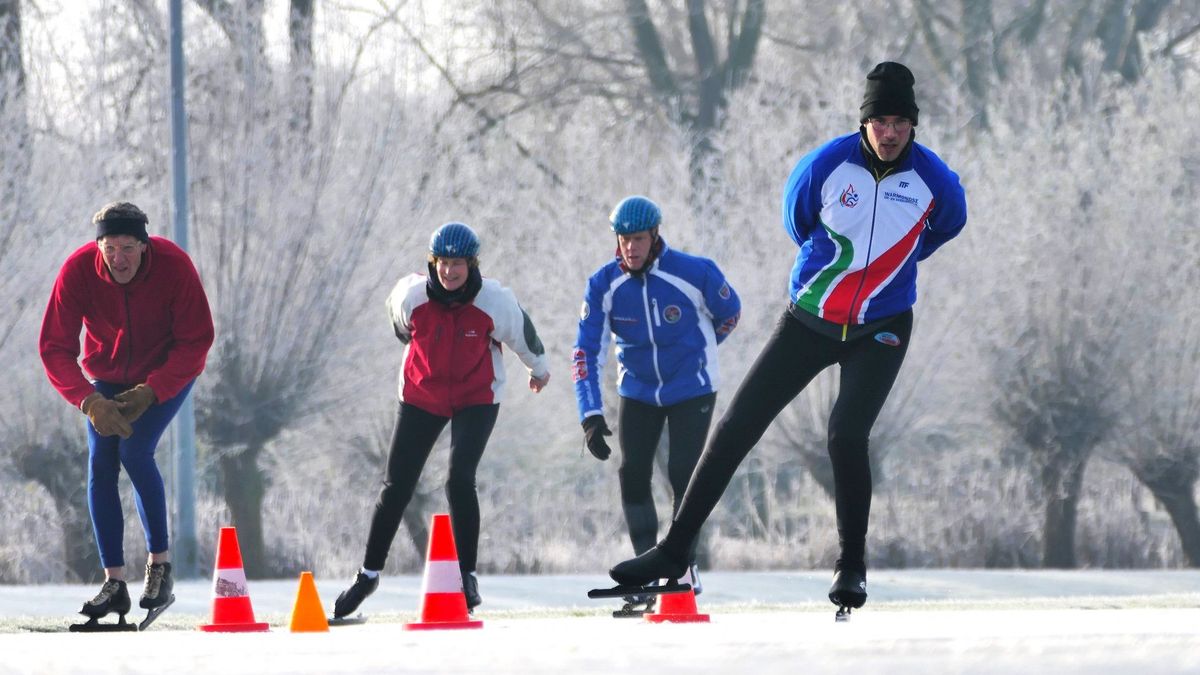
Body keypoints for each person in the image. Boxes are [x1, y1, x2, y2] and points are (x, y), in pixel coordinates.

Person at [608, 62, 968, 613]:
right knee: (736, 427)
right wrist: (835, 279)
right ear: (865, 121)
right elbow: (797, 224)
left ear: (913, 125)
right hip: (810, 320)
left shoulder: (934, 181)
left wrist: (888, 271)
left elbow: (946, 227)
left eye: (901, 123)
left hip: (881, 326)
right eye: (881, 122)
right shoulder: (825, 167)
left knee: (846, 435)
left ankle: (851, 567)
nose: (891, 133)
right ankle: (674, 551)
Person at [334, 221, 551, 618]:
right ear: (432, 263)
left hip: (476, 396)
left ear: (472, 265)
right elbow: (398, 322)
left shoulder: (494, 300)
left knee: (459, 479)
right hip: (422, 394)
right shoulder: (411, 295)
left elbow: (524, 334)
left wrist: (538, 370)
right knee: (396, 486)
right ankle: (368, 575)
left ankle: (467, 576)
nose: (450, 272)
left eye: (458, 264)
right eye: (443, 263)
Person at [39, 201, 215, 623]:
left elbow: (196, 340)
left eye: (129, 249)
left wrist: (152, 391)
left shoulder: (174, 266)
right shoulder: (77, 271)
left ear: (145, 245)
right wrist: (88, 400)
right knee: (101, 461)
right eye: (110, 249)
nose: (119, 259)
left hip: (166, 372)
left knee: (135, 452)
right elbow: (55, 348)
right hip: (107, 379)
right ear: (98, 247)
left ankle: (160, 568)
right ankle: (114, 583)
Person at [573, 195, 740, 608]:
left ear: (655, 236)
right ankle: (644, 568)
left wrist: (701, 350)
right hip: (638, 389)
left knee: (684, 472)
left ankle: (684, 563)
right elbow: (586, 351)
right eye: (624, 239)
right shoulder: (603, 284)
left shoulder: (694, 272)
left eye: (639, 239)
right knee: (632, 473)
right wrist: (590, 414)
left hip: (692, 386)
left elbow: (730, 312)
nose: (631, 248)